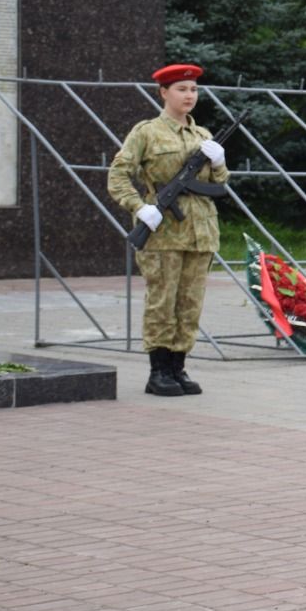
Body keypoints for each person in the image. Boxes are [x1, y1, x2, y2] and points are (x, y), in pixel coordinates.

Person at [106, 63, 229, 398]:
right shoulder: (146, 132)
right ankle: (158, 371)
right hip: (162, 232)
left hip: (200, 231)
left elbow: (220, 185)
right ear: (163, 93)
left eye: (193, 90)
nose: (189, 95)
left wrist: (219, 164)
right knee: (163, 301)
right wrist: (139, 207)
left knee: (190, 303)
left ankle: (178, 367)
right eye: (181, 89)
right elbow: (118, 174)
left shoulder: (203, 136)